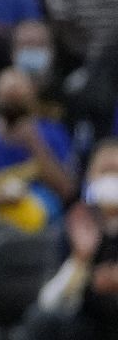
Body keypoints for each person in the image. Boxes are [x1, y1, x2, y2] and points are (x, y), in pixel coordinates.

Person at [32, 139, 118, 339]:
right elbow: (49, 302)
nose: (113, 179)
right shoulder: (74, 225)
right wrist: (80, 259)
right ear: (90, 176)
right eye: (106, 171)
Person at [0, 66, 76, 231]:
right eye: (7, 99)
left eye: (18, 99)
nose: (12, 107)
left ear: (32, 97)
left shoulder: (52, 131)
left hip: (46, 225)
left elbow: (67, 191)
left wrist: (35, 144)